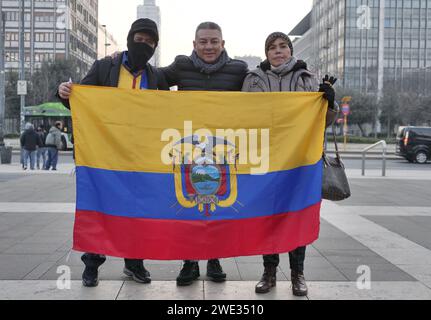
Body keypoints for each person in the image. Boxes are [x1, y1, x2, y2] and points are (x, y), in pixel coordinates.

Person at [57, 18, 169, 288]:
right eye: (139, 40)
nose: (144, 45)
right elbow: (81, 99)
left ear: (155, 46)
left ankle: (135, 264)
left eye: (149, 42)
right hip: (105, 156)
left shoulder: (156, 77)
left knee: (138, 212)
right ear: (130, 39)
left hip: (142, 158)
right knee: (101, 209)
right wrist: (64, 93)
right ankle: (92, 265)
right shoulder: (105, 67)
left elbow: (168, 114)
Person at [242, 32, 339, 297]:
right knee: (269, 216)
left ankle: (298, 274)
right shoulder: (253, 80)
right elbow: (243, 116)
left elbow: (324, 120)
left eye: (283, 46)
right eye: (272, 47)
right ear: (266, 53)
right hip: (266, 159)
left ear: (290, 49)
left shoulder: (307, 78)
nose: (278, 51)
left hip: (299, 161)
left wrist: (330, 102)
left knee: (297, 215)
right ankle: (269, 273)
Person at [160, 21, 249, 286]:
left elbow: (261, 94)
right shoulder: (181, 66)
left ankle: (214, 259)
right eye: (203, 41)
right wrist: (120, 62)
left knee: (218, 207)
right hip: (190, 151)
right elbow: (150, 79)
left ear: (223, 44)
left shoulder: (239, 70)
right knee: (189, 207)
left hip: (223, 151)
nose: (208, 46)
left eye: (214, 41)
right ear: (194, 44)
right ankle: (189, 262)